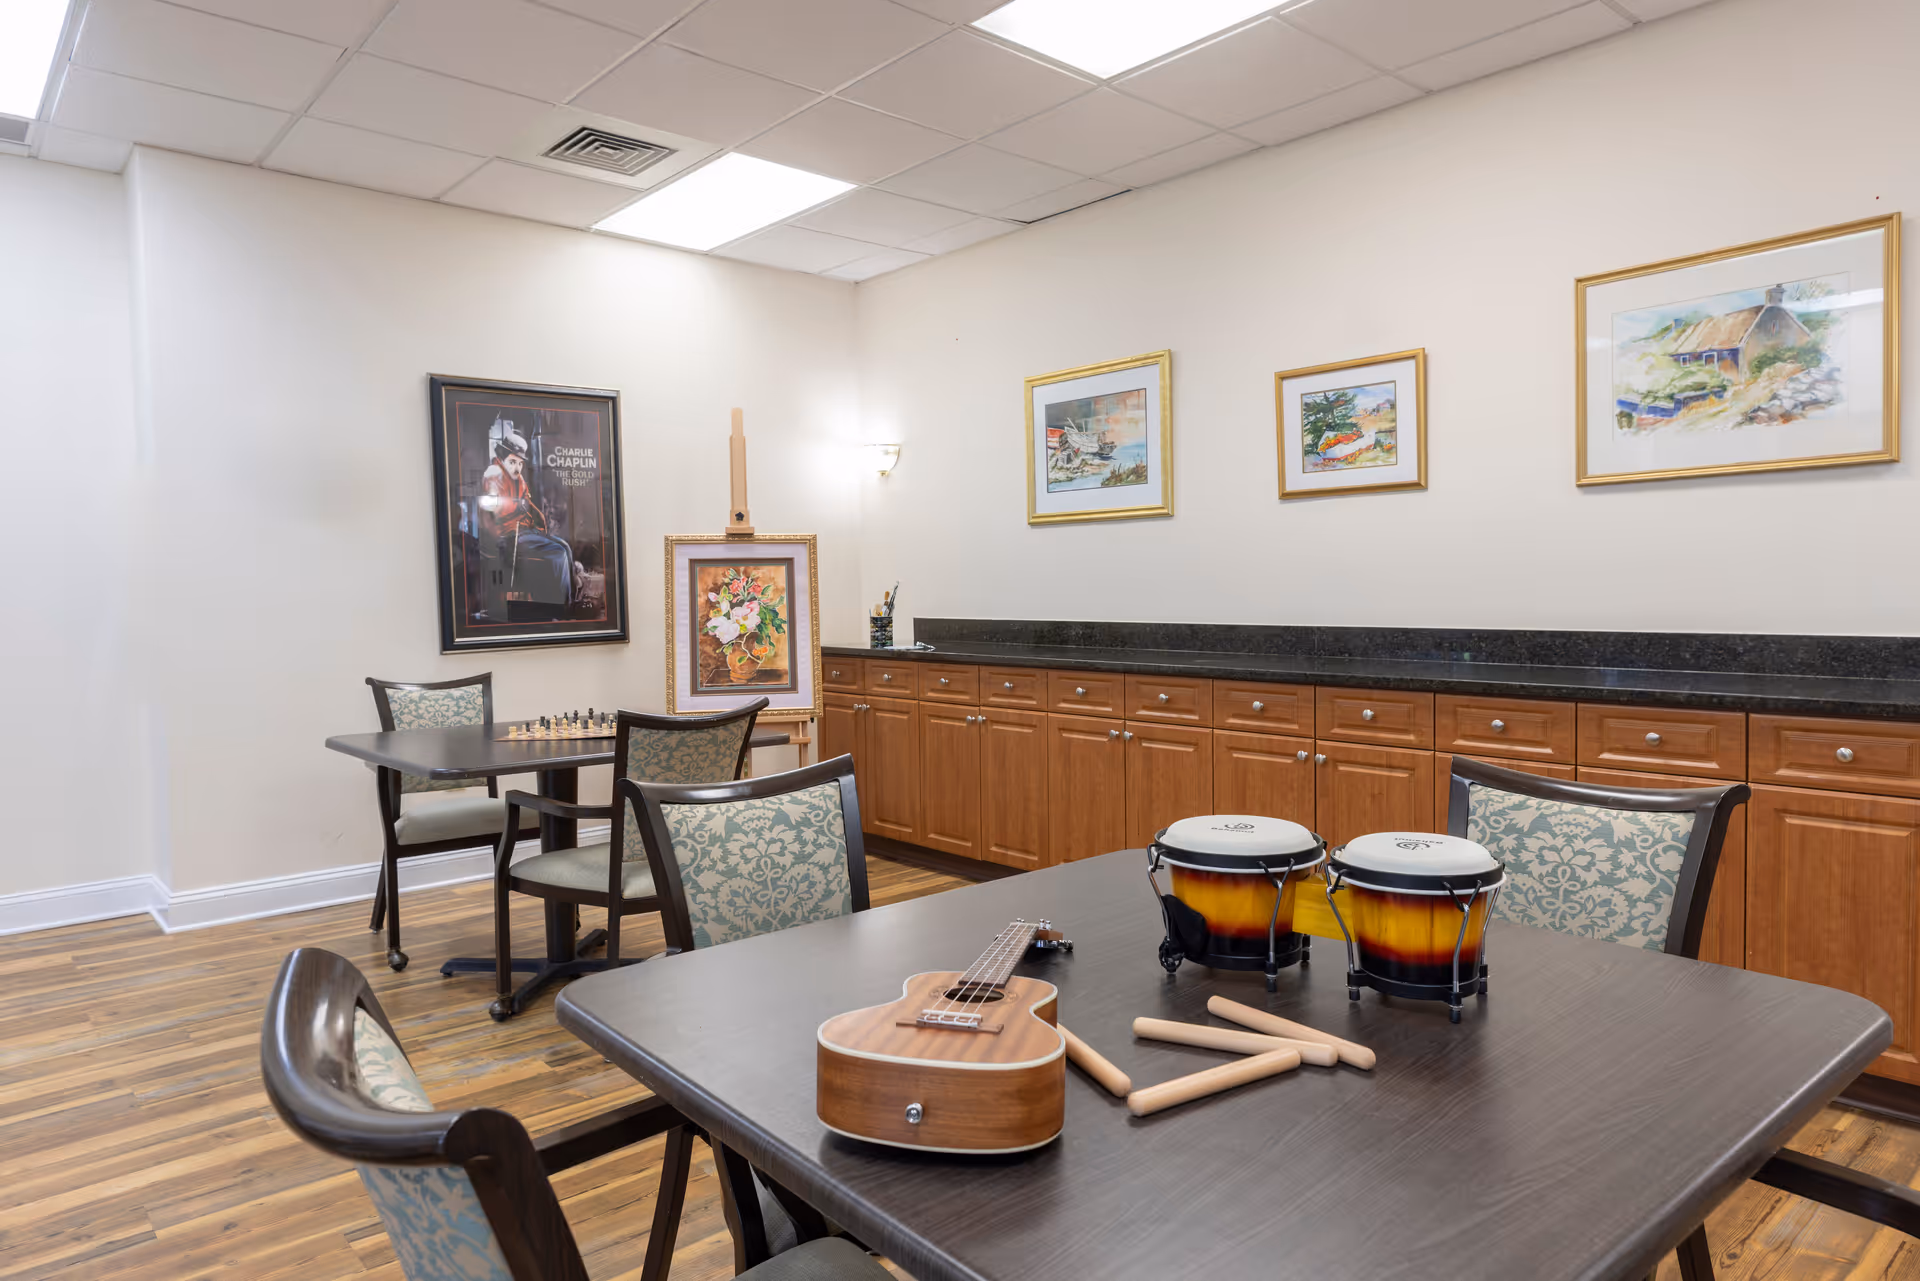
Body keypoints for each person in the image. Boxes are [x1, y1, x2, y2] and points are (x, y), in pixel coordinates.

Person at [474, 416, 572, 622]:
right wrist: (519, 506)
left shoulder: (518, 479)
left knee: (565, 547)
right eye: (513, 462)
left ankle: (567, 601)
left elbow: (527, 502)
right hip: (508, 535)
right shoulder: (494, 474)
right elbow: (494, 508)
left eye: (520, 463)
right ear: (502, 457)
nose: (517, 467)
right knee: (558, 553)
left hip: (524, 531)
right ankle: (559, 608)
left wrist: (540, 518)